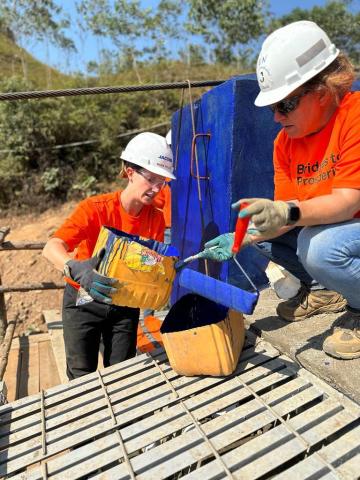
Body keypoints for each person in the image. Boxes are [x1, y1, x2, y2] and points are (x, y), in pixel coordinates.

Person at [201, 21, 360, 360]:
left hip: (349, 225)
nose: (276, 116)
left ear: (322, 88)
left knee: (319, 247)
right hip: (344, 231)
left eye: (284, 105)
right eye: (272, 107)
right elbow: (287, 208)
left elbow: (348, 203)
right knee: (267, 236)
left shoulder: (355, 116)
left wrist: (286, 212)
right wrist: (241, 237)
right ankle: (324, 292)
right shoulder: (284, 144)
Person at [42, 132, 175, 379]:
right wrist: (75, 268)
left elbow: (149, 261)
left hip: (124, 302)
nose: (157, 188)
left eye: (163, 181)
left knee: (122, 373)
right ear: (130, 172)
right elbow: (52, 247)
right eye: (152, 179)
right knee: (82, 376)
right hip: (84, 301)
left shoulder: (155, 218)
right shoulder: (95, 209)